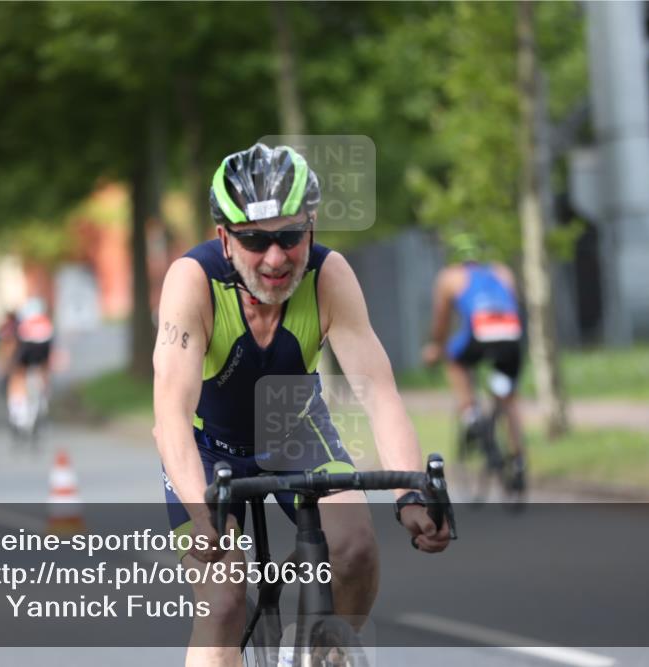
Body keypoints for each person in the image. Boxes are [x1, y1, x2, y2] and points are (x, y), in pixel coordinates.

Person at [152, 143, 451, 667]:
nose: (275, 257)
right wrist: (203, 515)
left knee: (355, 549)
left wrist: (411, 493)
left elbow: (378, 393)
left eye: (290, 237)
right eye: (254, 240)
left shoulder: (330, 277)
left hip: (291, 423)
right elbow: (170, 418)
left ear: (310, 229)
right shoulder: (191, 281)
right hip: (204, 446)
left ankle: (321, 654)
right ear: (224, 237)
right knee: (223, 601)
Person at [422, 236, 528, 490]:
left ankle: (471, 415)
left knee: (454, 359)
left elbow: (441, 323)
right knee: (508, 397)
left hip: (479, 335)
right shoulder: (501, 271)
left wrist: (435, 347)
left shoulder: (449, 277)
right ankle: (518, 461)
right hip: (511, 336)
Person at [8, 297, 54, 429]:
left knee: (18, 374)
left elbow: (16, 340)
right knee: (44, 368)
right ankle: (45, 396)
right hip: (44, 346)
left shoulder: (24, 320)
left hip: (27, 346)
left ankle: (18, 410)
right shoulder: (46, 321)